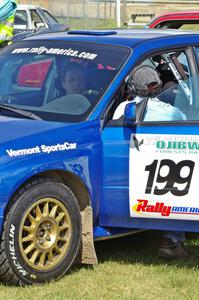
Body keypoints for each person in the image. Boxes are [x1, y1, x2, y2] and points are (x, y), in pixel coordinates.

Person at [113, 65, 188, 259]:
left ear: (132, 88)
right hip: (166, 176)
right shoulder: (172, 113)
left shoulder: (122, 108)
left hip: (126, 170)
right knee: (178, 194)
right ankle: (171, 241)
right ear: (158, 86)